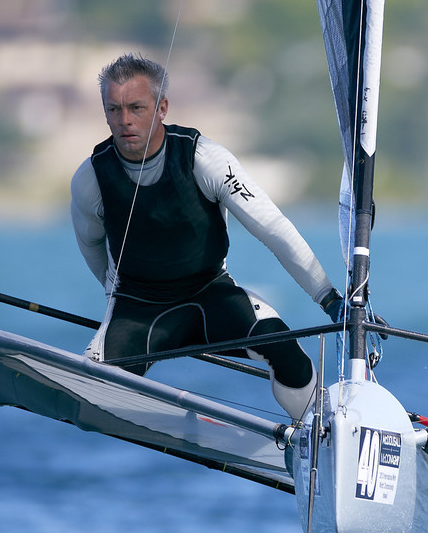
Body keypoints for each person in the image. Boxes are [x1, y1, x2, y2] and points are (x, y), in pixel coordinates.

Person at [71, 53, 345, 419]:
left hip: (211, 295)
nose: (124, 121)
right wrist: (112, 295)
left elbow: (274, 228)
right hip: (138, 308)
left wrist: (328, 299)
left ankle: (316, 430)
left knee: (289, 355)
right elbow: (91, 245)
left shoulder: (206, 159)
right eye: (114, 109)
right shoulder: (91, 177)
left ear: (162, 107)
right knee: (94, 391)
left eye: (136, 107)